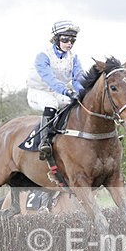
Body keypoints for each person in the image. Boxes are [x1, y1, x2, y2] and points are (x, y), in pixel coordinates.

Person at [26, 20, 85, 157]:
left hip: (56, 92)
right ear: (56, 39)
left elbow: (78, 77)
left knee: (74, 104)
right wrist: (67, 91)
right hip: (38, 92)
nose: (69, 43)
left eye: (72, 40)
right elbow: (50, 79)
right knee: (51, 104)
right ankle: (44, 142)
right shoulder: (43, 55)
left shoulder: (73, 57)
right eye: (65, 39)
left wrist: (83, 92)